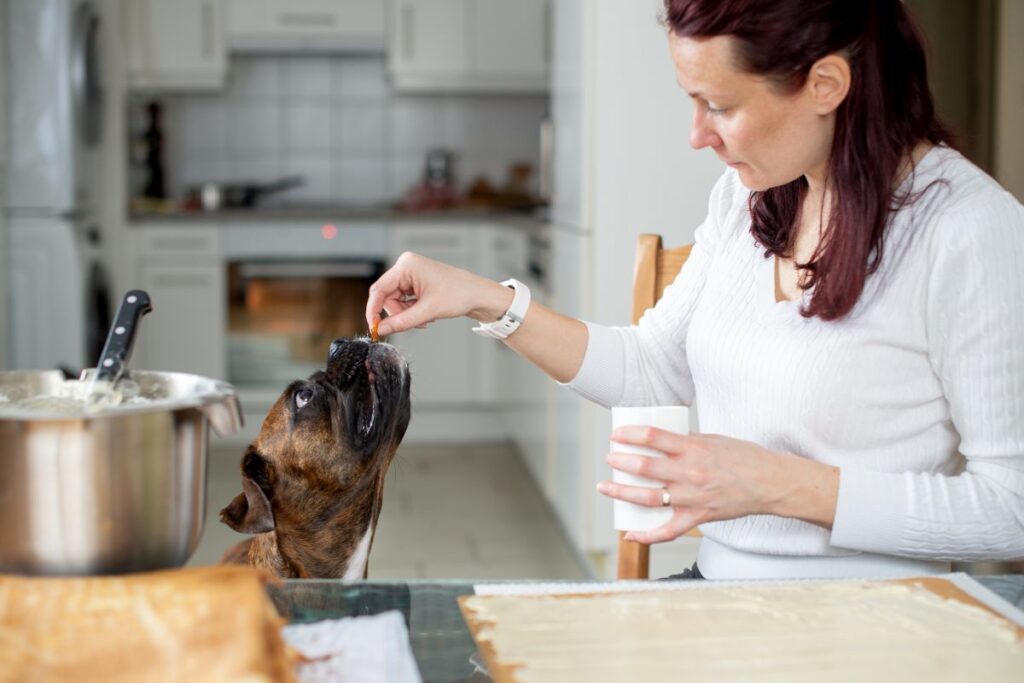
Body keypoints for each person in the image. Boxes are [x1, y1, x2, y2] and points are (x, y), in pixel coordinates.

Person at [365, 0, 1024, 580]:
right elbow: (653, 368)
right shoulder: (747, 198)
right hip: (719, 594)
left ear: (826, 83)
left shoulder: (969, 230)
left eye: (722, 105)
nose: (697, 134)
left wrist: (783, 485)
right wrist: (484, 297)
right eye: (693, 100)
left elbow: (1011, 508)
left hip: (875, 624)